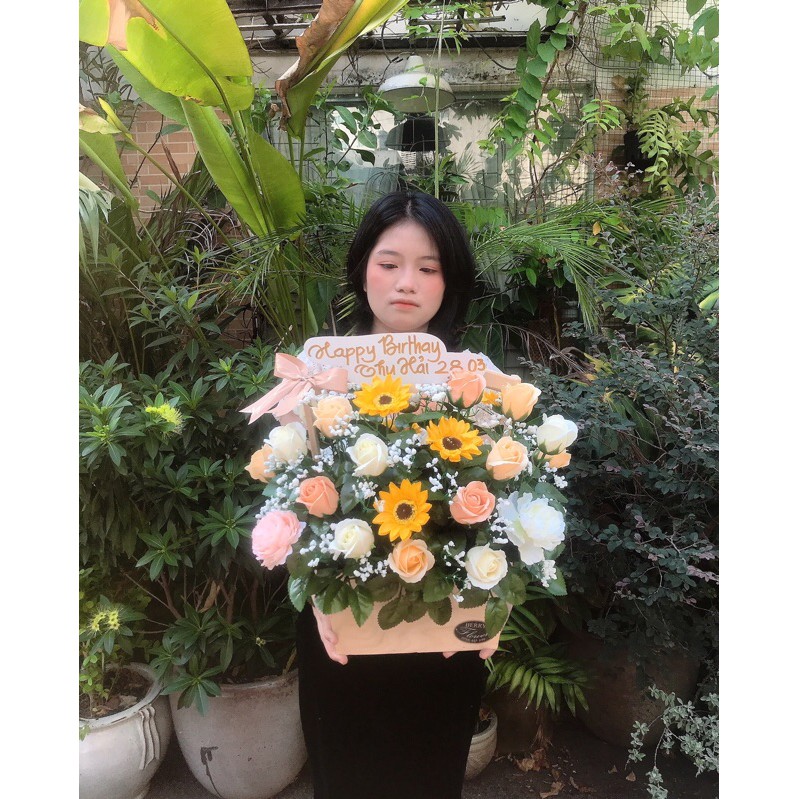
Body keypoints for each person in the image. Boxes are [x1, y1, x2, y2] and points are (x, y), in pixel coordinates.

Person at [295, 191, 494, 799]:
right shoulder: (317, 374)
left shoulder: (475, 380)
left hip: (444, 629)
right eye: (389, 263)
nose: (407, 282)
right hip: (344, 627)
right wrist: (317, 597)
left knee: (430, 774)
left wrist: (493, 607)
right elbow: (287, 496)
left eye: (428, 268)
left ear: (448, 282)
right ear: (362, 270)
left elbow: (503, 504)